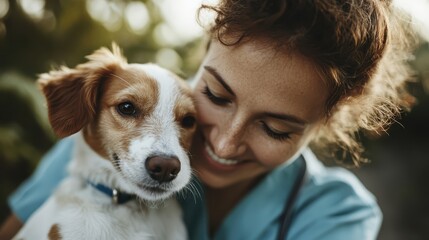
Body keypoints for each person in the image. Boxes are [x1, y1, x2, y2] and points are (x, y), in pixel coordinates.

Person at [0, 0, 416, 239]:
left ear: (324, 124)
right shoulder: (96, 146)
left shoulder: (334, 213)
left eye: (276, 128)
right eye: (216, 96)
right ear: (203, 56)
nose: (225, 144)